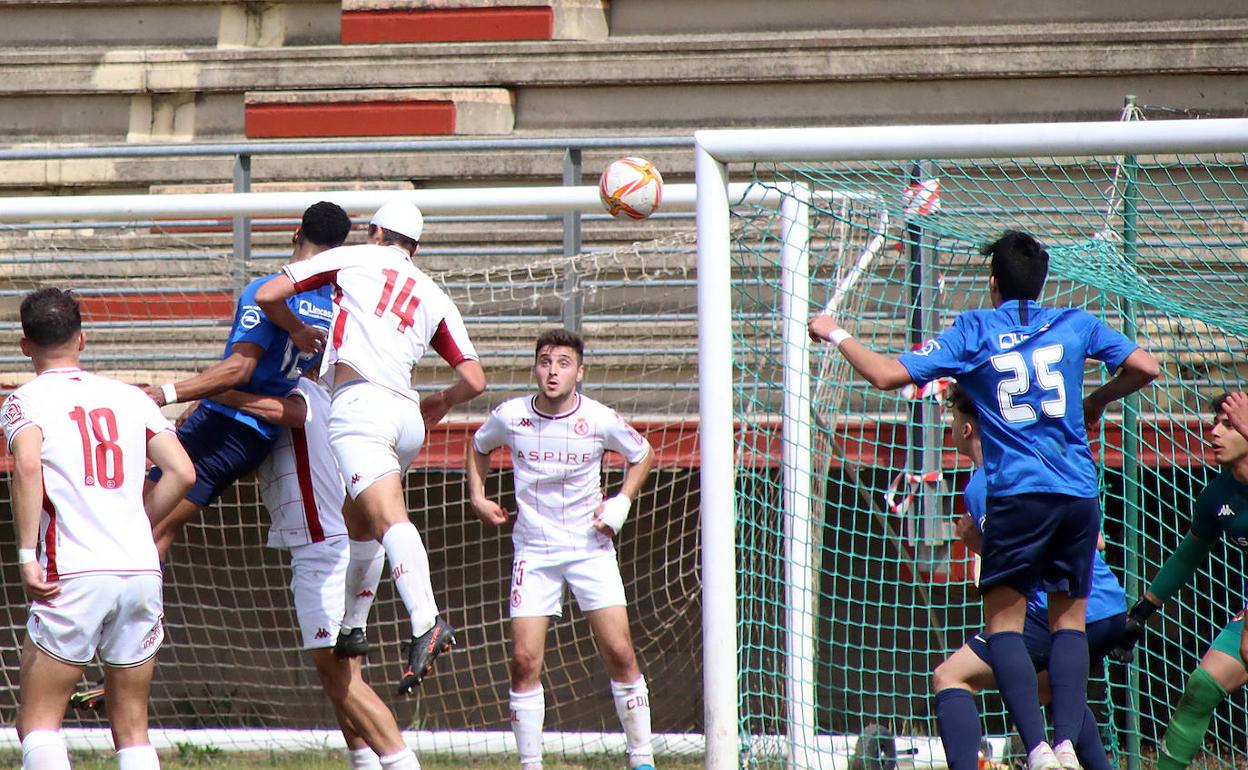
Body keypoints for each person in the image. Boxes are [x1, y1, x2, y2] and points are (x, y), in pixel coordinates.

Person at [809, 230, 1159, 770]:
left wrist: (835, 333)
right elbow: (1146, 367)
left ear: (992, 283)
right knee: (1068, 623)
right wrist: (1095, 398)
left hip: (1019, 494)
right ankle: (1067, 746)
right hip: (1076, 492)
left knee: (1004, 630)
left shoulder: (975, 329)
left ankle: (1039, 751)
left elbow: (884, 374)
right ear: (1042, 282)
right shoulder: (1075, 322)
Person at [255, 199, 487, 694]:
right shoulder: (433, 293)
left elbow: (270, 293)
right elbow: (474, 378)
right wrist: (442, 401)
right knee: (357, 520)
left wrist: (298, 330)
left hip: (360, 406)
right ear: (415, 248)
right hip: (406, 414)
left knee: (386, 520)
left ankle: (427, 621)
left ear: (375, 233)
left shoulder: (354, 257)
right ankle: (353, 627)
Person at [3, 288, 196, 770]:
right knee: (132, 727)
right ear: (82, 339)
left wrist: (27, 556)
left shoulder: (23, 401)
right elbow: (184, 473)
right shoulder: (130, 397)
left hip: (73, 571)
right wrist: (137, 520)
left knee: (39, 724)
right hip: (139, 569)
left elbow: (27, 465)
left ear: (24, 345)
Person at [466, 329, 657, 770]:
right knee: (523, 659)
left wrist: (622, 502)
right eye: (546, 362)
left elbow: (642, 453)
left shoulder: (599, 418)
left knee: (621, 653)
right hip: (533, 553)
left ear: (579, 372)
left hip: (590, 549)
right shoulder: (511, 416)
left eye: (564, 363)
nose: (553, 371)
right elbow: (478, 447)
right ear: (535, 368)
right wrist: (478, 496)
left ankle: (642, 759)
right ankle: (531, 763)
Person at [209, 377, 419, 770]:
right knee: (342, 675)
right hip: (343, 545)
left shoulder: (301, 389)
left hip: (325, 549)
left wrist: (217, 390)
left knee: (342, 681)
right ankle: (366, 762)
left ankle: (401, 763)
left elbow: (287, 412)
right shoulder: (332, 393)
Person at [932, 383, 1125, 770]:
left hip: (1061, 612)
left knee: (949, 676)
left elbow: (1027, 561)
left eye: (953, 418)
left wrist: (978, 544)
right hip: (1106, 605)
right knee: (1048, 689)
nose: (949, 426)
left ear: (968, 429)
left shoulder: (986, 484)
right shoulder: (1037, 466)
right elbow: (1097, 541)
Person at [145, 201, 352, 557]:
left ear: (297, 233)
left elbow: (239, 369)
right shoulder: (334, 309)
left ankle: (136, 613)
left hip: (222, 427)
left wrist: (164, 393)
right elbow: (311, 373)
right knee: (160, 529)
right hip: (254, 438)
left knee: (141, 526)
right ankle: (146, 615)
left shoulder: (267, 291)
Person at [1107, 392, 1248, 770]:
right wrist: (1142, 611)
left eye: (1229, 424)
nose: (1214, 432)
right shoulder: (1219, 493)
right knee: (1203, 686)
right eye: (1215, 422)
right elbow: (1189, 554)